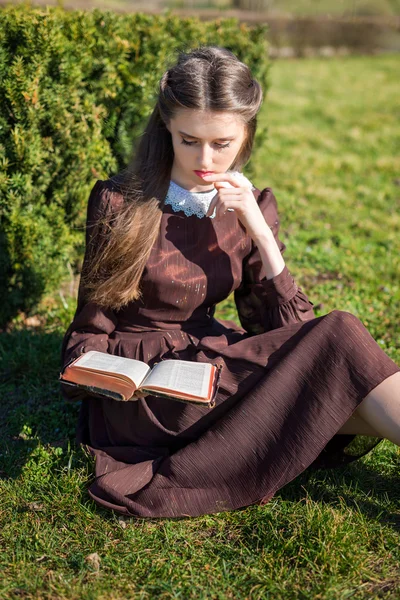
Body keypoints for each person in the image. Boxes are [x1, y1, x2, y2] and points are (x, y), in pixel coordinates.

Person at [61, 45, 400, 518]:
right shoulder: (119, 203)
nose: (205, 158)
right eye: (189, 140)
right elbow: (85, 336)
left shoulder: (253, 204)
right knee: (338, 354)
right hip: (145, 398)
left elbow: (289, 328)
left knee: (335, 355)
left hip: (210, 368)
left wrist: (258, 232)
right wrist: (117, 373)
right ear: (166, 128)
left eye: (222, 144)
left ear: (246, 134)